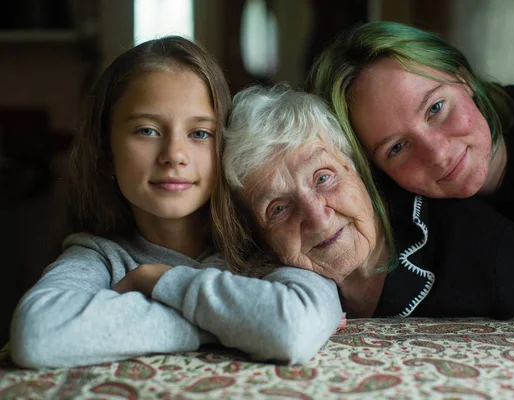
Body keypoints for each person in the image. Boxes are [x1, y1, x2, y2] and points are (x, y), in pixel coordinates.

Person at [9, 37, 343, 369]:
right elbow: (38, 336)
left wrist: (158, 279)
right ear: (106, 150)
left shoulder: (264, 240)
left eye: (199, 134)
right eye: (147, 130)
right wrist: (240, 324)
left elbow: (293, 329)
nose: (174, 155)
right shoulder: (100, 259)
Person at [217, 83, 514, 321]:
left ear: (356, 168)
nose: (316, 217)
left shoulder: (486, 249)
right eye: (278, 209)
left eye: (323, 178)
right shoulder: (260, 287)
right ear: (258, 235)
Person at [307, 21, 514, 305]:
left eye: (436, 108)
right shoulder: (402, 210)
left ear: (464, 78)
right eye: (397, 147)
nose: (436, 153)